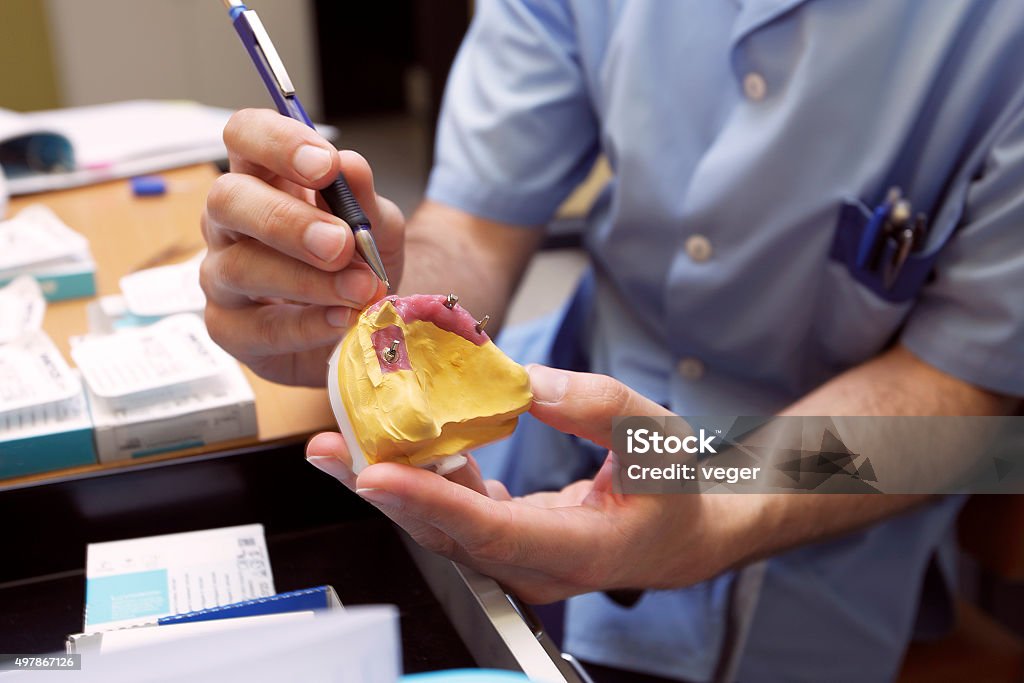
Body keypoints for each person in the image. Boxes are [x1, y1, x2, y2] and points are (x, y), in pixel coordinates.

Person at [200, 1, 1024, 680]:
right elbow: (478, 225)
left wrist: (716, 498)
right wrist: (363, 301)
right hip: (527, 478)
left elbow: (965, 394)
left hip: (818, 537)